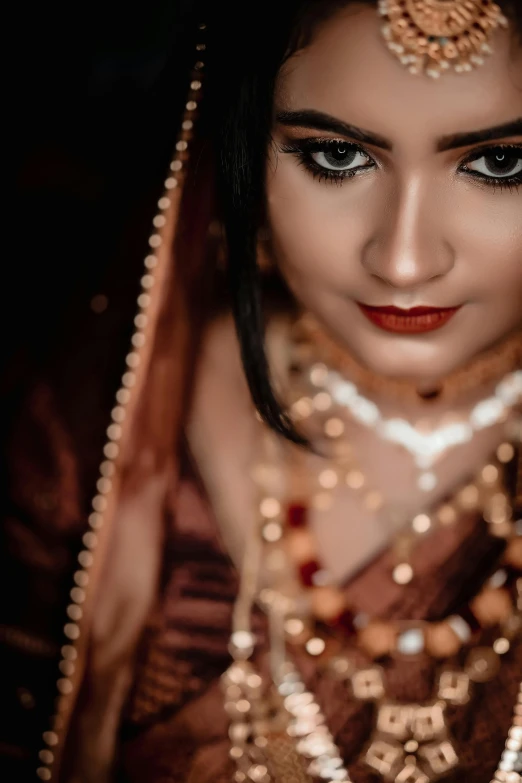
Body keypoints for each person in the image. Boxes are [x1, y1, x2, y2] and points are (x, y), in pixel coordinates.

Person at [4, 1, 521, 782]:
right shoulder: (99, 435)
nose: (405, 259)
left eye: (499, 164)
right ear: (236, 147)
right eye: (337, 157)